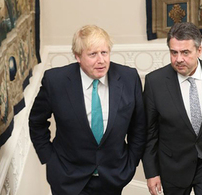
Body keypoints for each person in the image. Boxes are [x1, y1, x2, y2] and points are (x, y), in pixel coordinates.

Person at [29, 25, 146, 195]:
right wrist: (49, 158)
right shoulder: (56, 81)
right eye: (93, 54)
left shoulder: (129, 78)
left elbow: (139, 126)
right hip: (67, 177)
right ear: (78, 56)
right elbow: (36, 122)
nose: (101, 60)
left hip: (112, 177)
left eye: (104, 53)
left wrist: (131, 161)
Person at [142, 22, 202, 195]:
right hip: (174, 165)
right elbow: (149, 132)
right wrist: (151, 172)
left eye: (185, 52)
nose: (179, 59)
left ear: (199, 50)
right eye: (174, 52)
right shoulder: (154, 82)